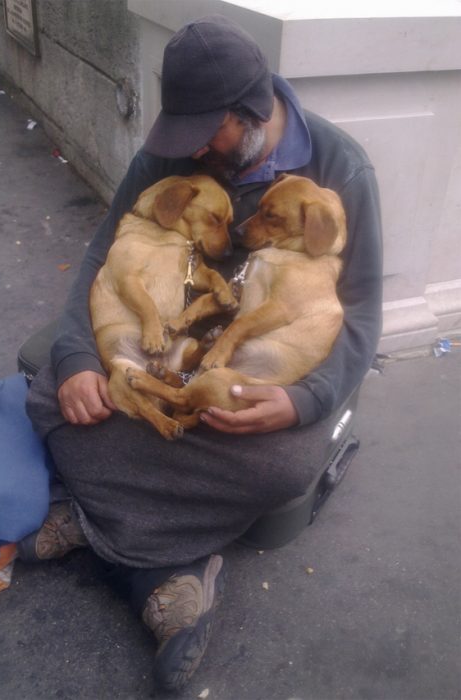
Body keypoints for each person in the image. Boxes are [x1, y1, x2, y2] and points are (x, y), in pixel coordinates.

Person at [21, 15, 383, 692]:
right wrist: (75, 360)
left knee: (287, 461)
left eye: (203, 134)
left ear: (249, 114)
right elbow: (102, 258)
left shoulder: (340, 169)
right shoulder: (176, 154)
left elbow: (361, 314)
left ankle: (100, 525)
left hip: (265, 353)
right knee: (49, 391)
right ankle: (168, 567)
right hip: (171, 338)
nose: (189, 152)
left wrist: (303, 399)